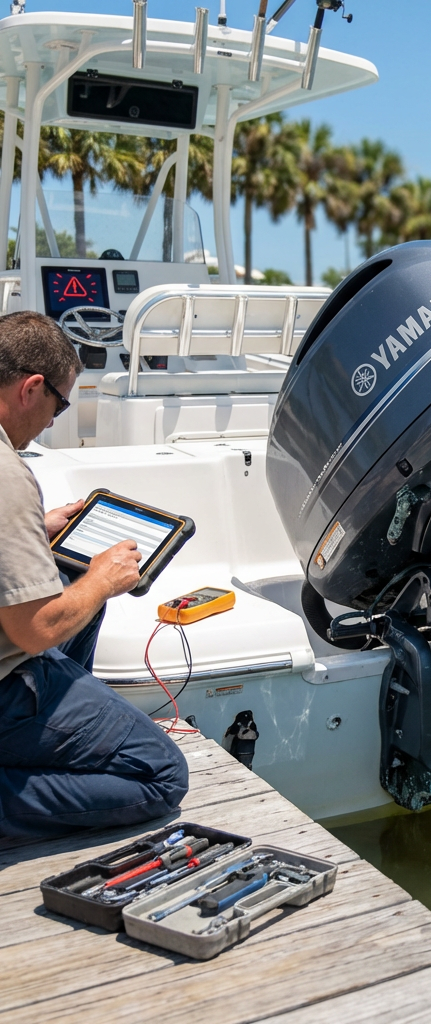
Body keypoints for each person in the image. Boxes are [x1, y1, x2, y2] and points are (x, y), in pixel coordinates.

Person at [0, 310, 188, 839]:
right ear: (31, 388)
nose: (54, 421)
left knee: (71, 577)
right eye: (59, 404)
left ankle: (63, 726)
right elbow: (33, 630)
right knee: (162, 774)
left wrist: (34, 526)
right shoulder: (8, 474)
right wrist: (103, 578)